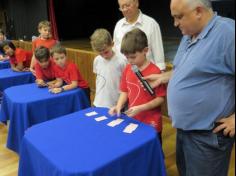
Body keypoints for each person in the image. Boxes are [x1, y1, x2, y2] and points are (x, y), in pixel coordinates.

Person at [144, 0, 235, 175]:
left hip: (208, 137)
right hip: (184, 131)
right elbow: (188, 69)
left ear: (198, 12)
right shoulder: (189, 33)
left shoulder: (228, 34)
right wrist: (164, 77)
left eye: (179, 17)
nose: (175, 23)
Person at [109, 28, 166, 143]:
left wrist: (141, 108)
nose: (130, 61)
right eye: (127, 57)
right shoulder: (128, 69)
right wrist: (119, 105)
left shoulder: (155, 71)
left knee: (153, 152)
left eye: (133, 57)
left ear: (145, 50)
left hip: (151, 123)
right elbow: (124, 91)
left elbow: (160, 99)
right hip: (133, 119)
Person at [113, 0, 166, 71]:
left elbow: (159, 57)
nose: (125, 9)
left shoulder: (151, 24)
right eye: (122, 7)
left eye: (128, 5)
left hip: (146, 75)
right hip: (123, 74)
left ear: (137, 3)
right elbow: (115, 50)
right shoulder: (118, 25)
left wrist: (160, 74)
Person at [90, 28, 127, 108]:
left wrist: (121, 104)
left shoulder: (122, 61)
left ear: (112, 44)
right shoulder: (97, 60)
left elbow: (126, 84)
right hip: (98, 103)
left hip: (116, 105)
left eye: (106, 52)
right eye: (100, 54)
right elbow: (98, 79)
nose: (104, 56)